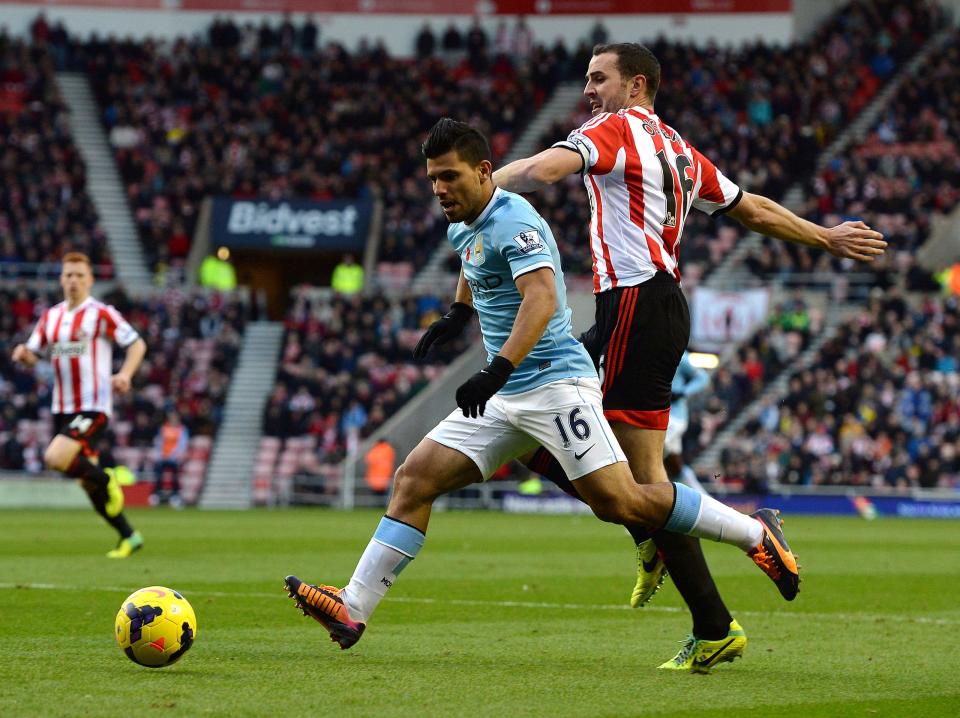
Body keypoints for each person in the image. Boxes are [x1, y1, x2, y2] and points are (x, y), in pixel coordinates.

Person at [283, 119, 799, 658]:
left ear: (484, 172)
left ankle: (754, 534)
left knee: (624, 501)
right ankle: (353, 608)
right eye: (433, 178)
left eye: (450, 177)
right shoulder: (463, 219)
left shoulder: (517, 220)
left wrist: (497, 367)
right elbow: (471, 254)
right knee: (413, 479)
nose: (439, 189)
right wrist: (459, 314)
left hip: (555, 386)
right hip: (506, 395)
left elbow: (542, 301)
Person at [491, 43, 885, 669]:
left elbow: (543, 171)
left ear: (636, 84)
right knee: (628, 474)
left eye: (600, 78)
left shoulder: (614, 128)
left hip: (632, 306)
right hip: (660, 309)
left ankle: (718, 534)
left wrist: (485, 183)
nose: (589, 90)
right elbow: (749, 206)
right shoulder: (678, 147)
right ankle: (711, 623)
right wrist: (823, 235)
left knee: (539, 435)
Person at [11, 252, 148, 558]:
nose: (73, 280)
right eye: (68, 275)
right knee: (87, 484)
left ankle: (106, 477)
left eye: (79, 275)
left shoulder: (101, 313)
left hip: (94, 404)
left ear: (90, 279)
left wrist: (125, 374)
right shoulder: (51, 317)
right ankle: (128, 535)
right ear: (61, 279)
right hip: (63, 407)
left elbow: (137, 344)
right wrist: (24, 354)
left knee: (55, 457)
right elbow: (35, 354)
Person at [665, 351, 710, 495]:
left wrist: (683, 392)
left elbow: (703, 377)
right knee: (675, 465)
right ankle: (704, 498)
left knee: (651, 447)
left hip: (674, 417)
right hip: (659, 415)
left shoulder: (680, 355)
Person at [151, 410, 189, 507]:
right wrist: (160, 454)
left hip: (174, 458)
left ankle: (175, 496)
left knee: (175, 476)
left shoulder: (181, 429)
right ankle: (155, 495)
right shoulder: (164, 428)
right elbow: (159, 442)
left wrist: (174, 455)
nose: (173, 419)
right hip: (163, 457)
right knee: (159, 475)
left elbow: (182, 444)